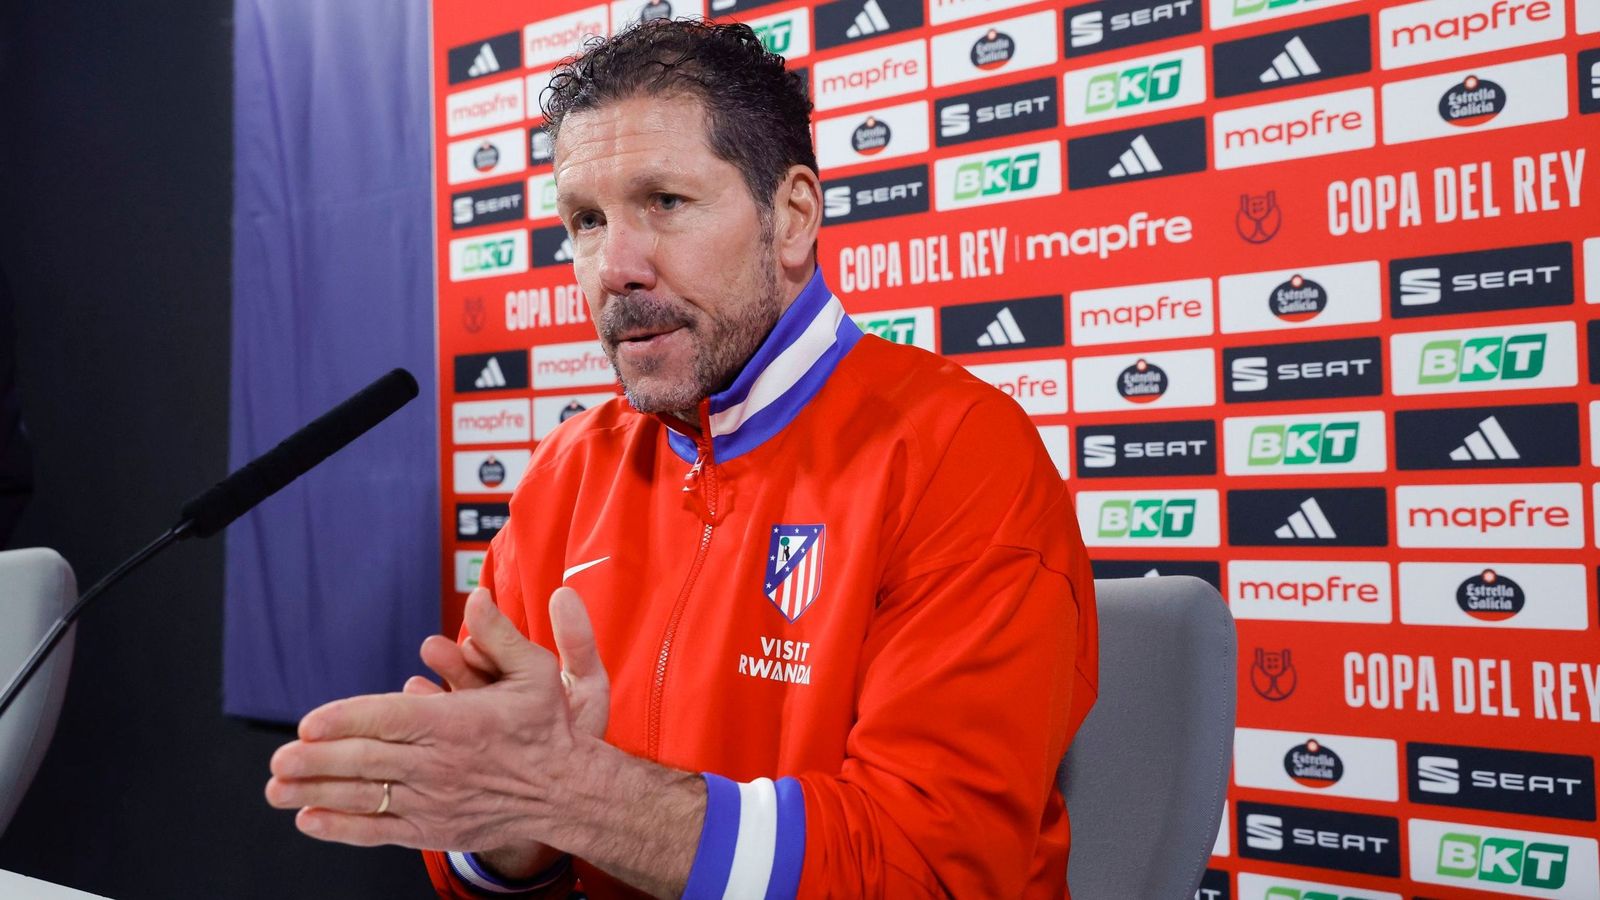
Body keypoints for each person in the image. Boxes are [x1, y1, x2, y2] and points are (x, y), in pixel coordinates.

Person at [265, 19, 1097, 899]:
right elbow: (481, 870)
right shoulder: (566, 473)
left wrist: (575, 794)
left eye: (663, 201)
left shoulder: (959, 450)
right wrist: (505, 820)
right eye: (586, 220)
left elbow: (934, 867)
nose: (615, 266)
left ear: (794, 217)